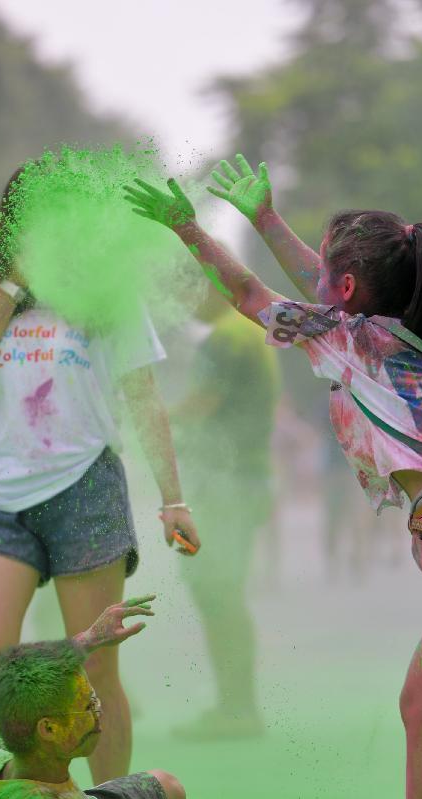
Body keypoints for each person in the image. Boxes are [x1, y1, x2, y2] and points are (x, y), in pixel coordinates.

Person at [123, 156, 422, 799]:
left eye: (327, 275)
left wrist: (186, 228)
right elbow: (317, 286)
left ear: (348, 292)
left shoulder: (356, 344)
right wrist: (265, 219)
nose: (316, 283)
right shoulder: (396, 338)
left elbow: (246, 292)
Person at [0, 165, 200, 785]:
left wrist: (173, 500)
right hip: (1, 499)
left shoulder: (106, 292)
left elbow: (143, 398)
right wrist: (12, 286)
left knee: (95, 671)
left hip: (85, 488)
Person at [0, 593, 345, 799]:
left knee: (170, 786)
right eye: (88, 706)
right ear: (48, 728)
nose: (100, 712)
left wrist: (89, 641)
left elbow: (12, 679)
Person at [169, 285, 280, 738]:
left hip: (225, 485)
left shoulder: (226, 338)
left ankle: (237, 710)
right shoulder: (248, 332)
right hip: (245, 480)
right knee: (221, 593)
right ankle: (236, 706)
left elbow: (202, 405)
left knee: (218, 593)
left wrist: (150, 420)